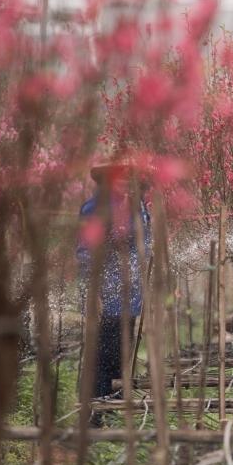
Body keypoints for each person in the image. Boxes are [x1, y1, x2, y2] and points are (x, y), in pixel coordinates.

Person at [77, 162, 149, 417]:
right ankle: (96, 415)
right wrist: (93, 291)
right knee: (103, 357)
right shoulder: (97, 208)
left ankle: (111, 411)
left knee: (120, 355)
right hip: (106, 297)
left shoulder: (136, 206)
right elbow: (86, 251)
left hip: (129, 297)